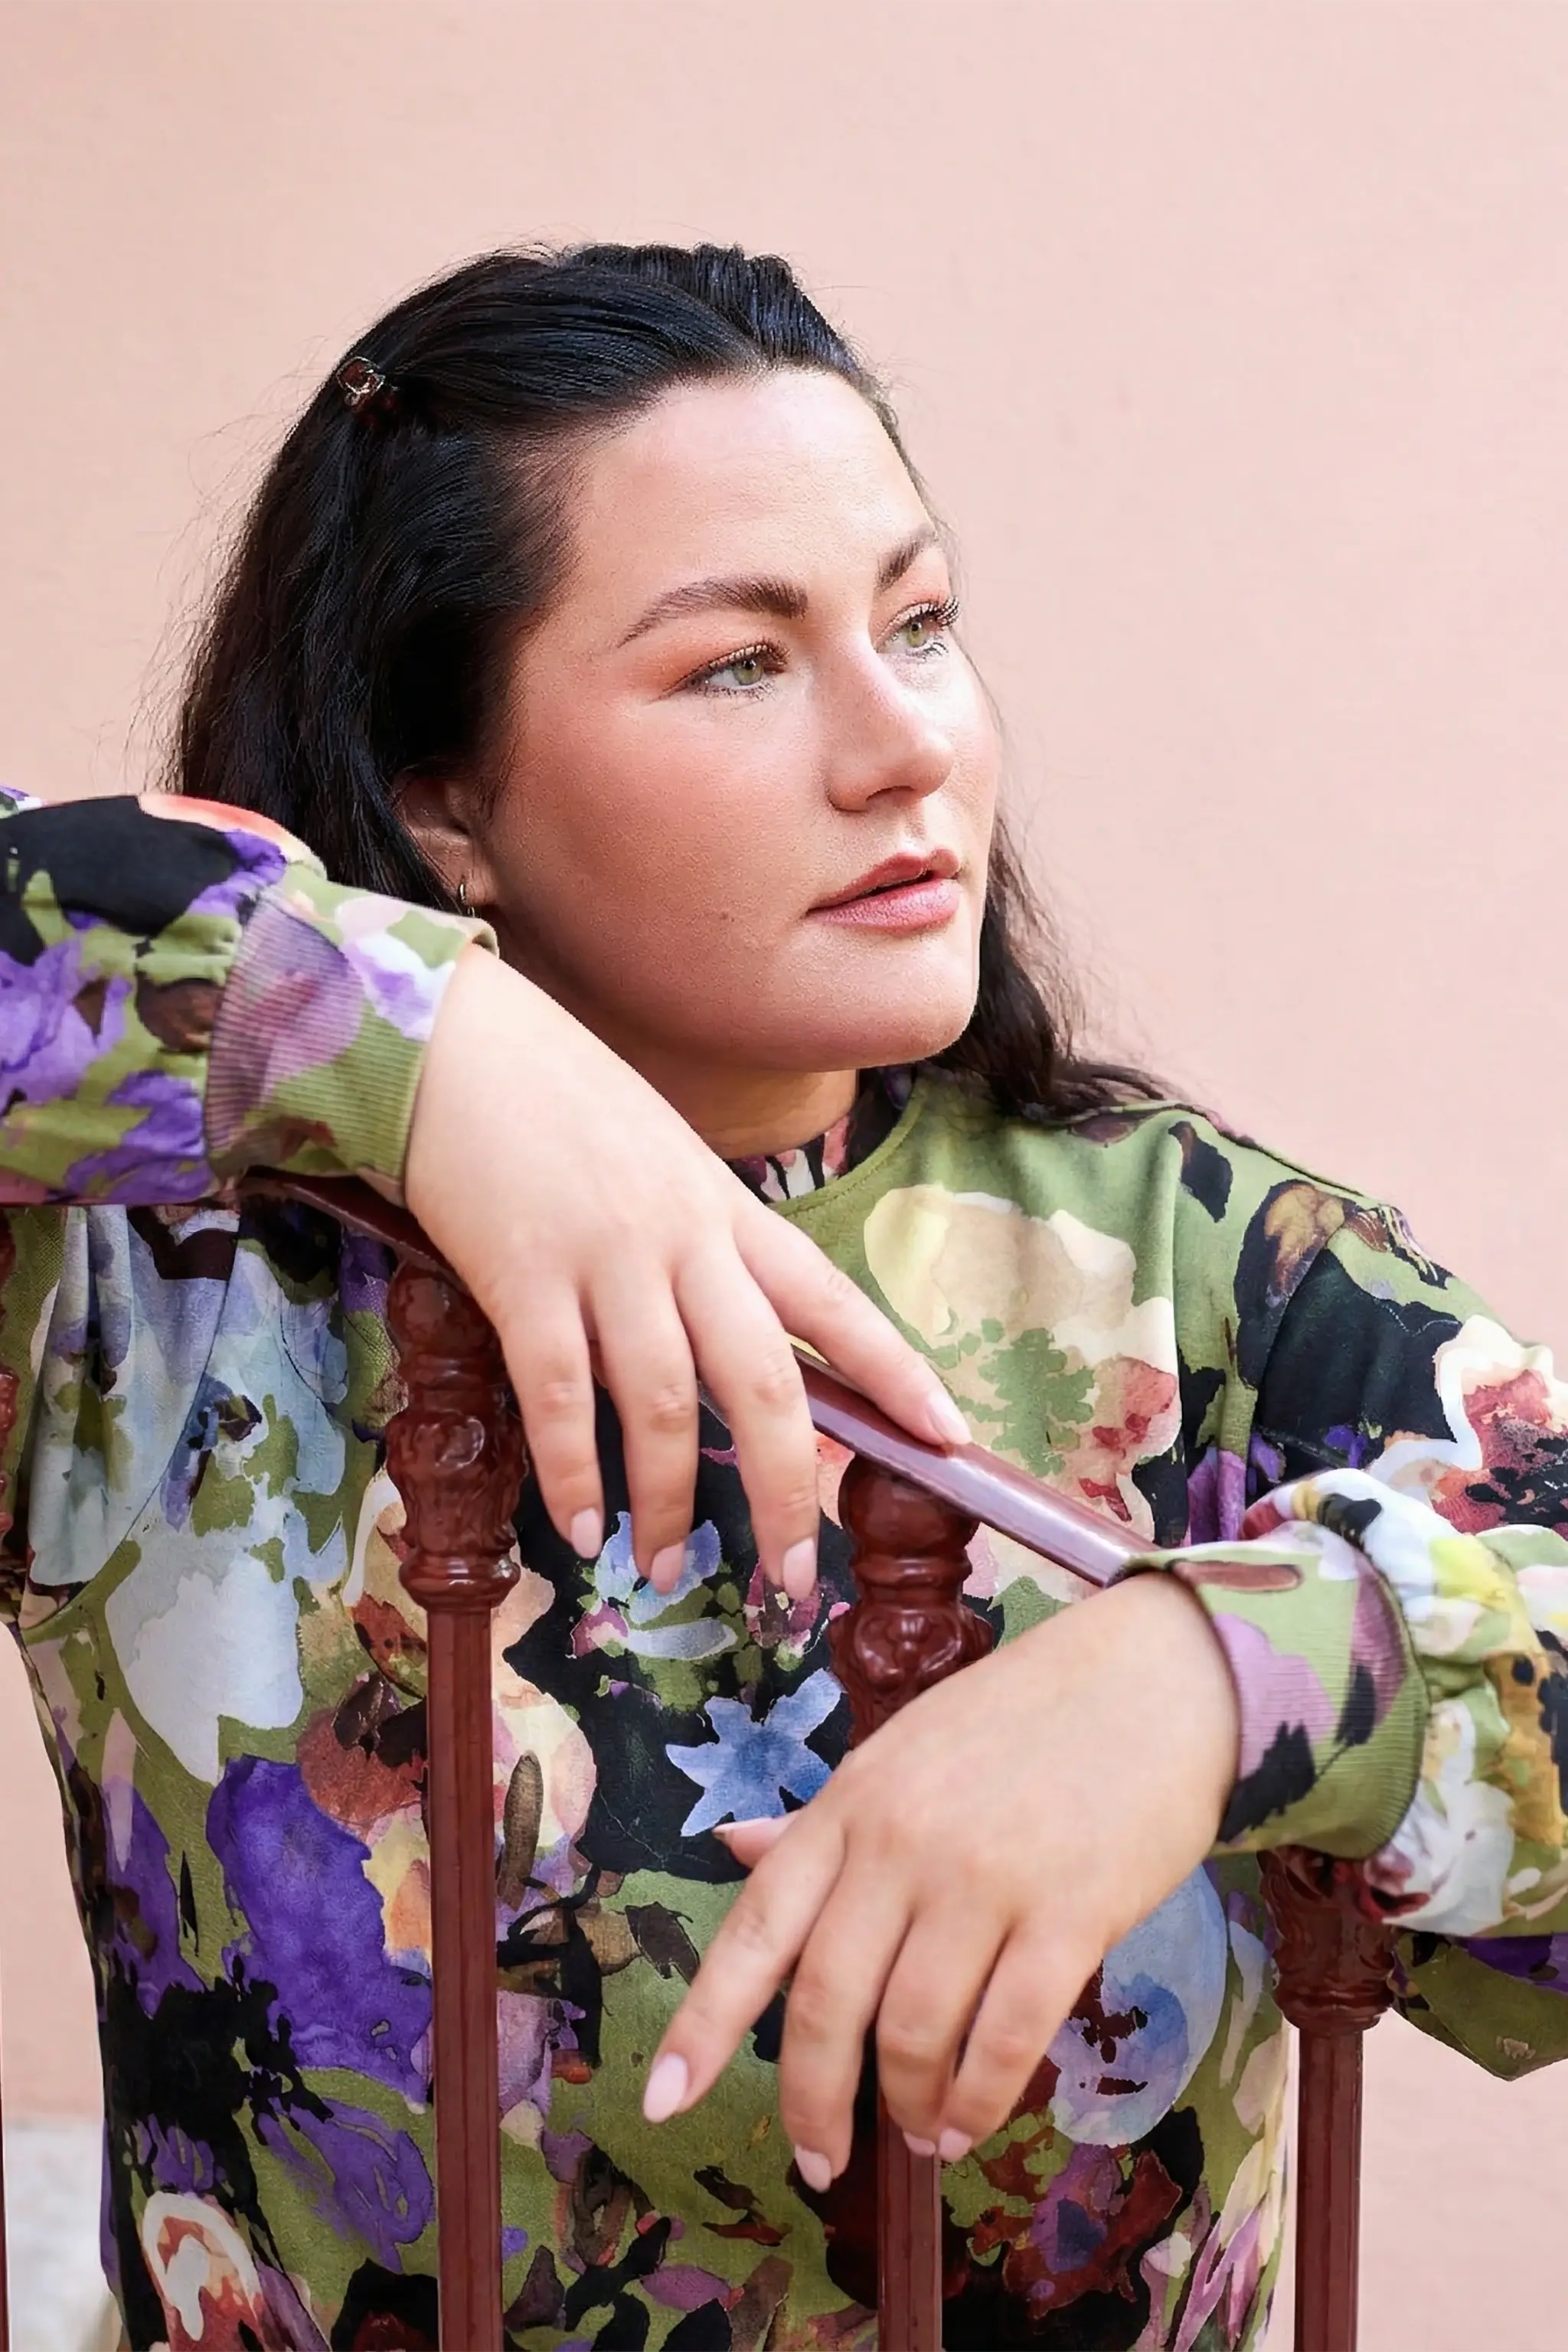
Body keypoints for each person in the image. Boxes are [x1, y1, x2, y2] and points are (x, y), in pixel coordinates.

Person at [1, 243, 1563, 2352]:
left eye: (920, 623)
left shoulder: (1201, 1269)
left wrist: (1212, 1678)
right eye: (739, 663)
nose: (905, 745)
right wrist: (399, 1041)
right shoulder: (156, 1287)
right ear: (444, 796)